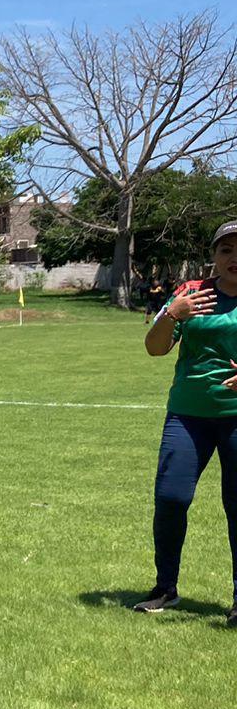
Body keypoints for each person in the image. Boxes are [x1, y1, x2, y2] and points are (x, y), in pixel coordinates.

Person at [136, 222, 237, 619]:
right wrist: (170, 315)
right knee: (171, 498)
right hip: (188, 415)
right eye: (226, 249)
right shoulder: (191, 293)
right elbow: (155, 349)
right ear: (214, 256)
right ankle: (166, 588)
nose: (234, 258)